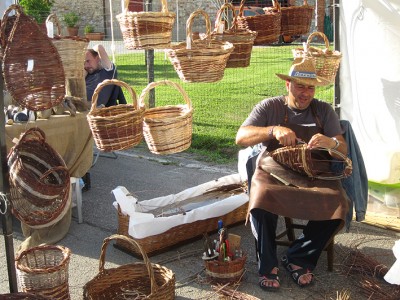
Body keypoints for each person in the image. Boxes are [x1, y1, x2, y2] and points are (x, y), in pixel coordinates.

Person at [235, 57, 349, 290]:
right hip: (274, 169)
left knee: (339, 203)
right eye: (300, 86)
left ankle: (298, 257)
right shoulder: (270, 107)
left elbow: (342, 149)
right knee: (262, 197)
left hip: (314, 172)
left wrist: (331, 143)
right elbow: (241, 137)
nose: (306, 93)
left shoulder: (323, 110)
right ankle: (267, 264)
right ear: (287, 85)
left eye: (310, 87)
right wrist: (272, 129)